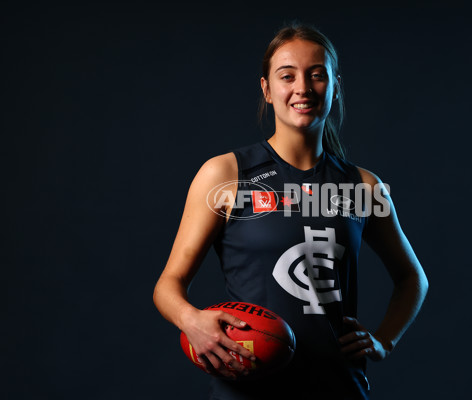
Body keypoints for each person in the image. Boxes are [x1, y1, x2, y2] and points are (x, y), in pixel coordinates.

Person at [153, 22, 428, 399]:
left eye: (317, 75)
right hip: (248, 391)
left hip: (337, 387)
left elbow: (413, 278)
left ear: (334, 86)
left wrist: (383, 341)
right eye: (288, 76)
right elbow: (168, 285)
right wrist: (192, 321)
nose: (303, 88)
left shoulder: (363, 186)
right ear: (267, 89)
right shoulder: (225, 174)